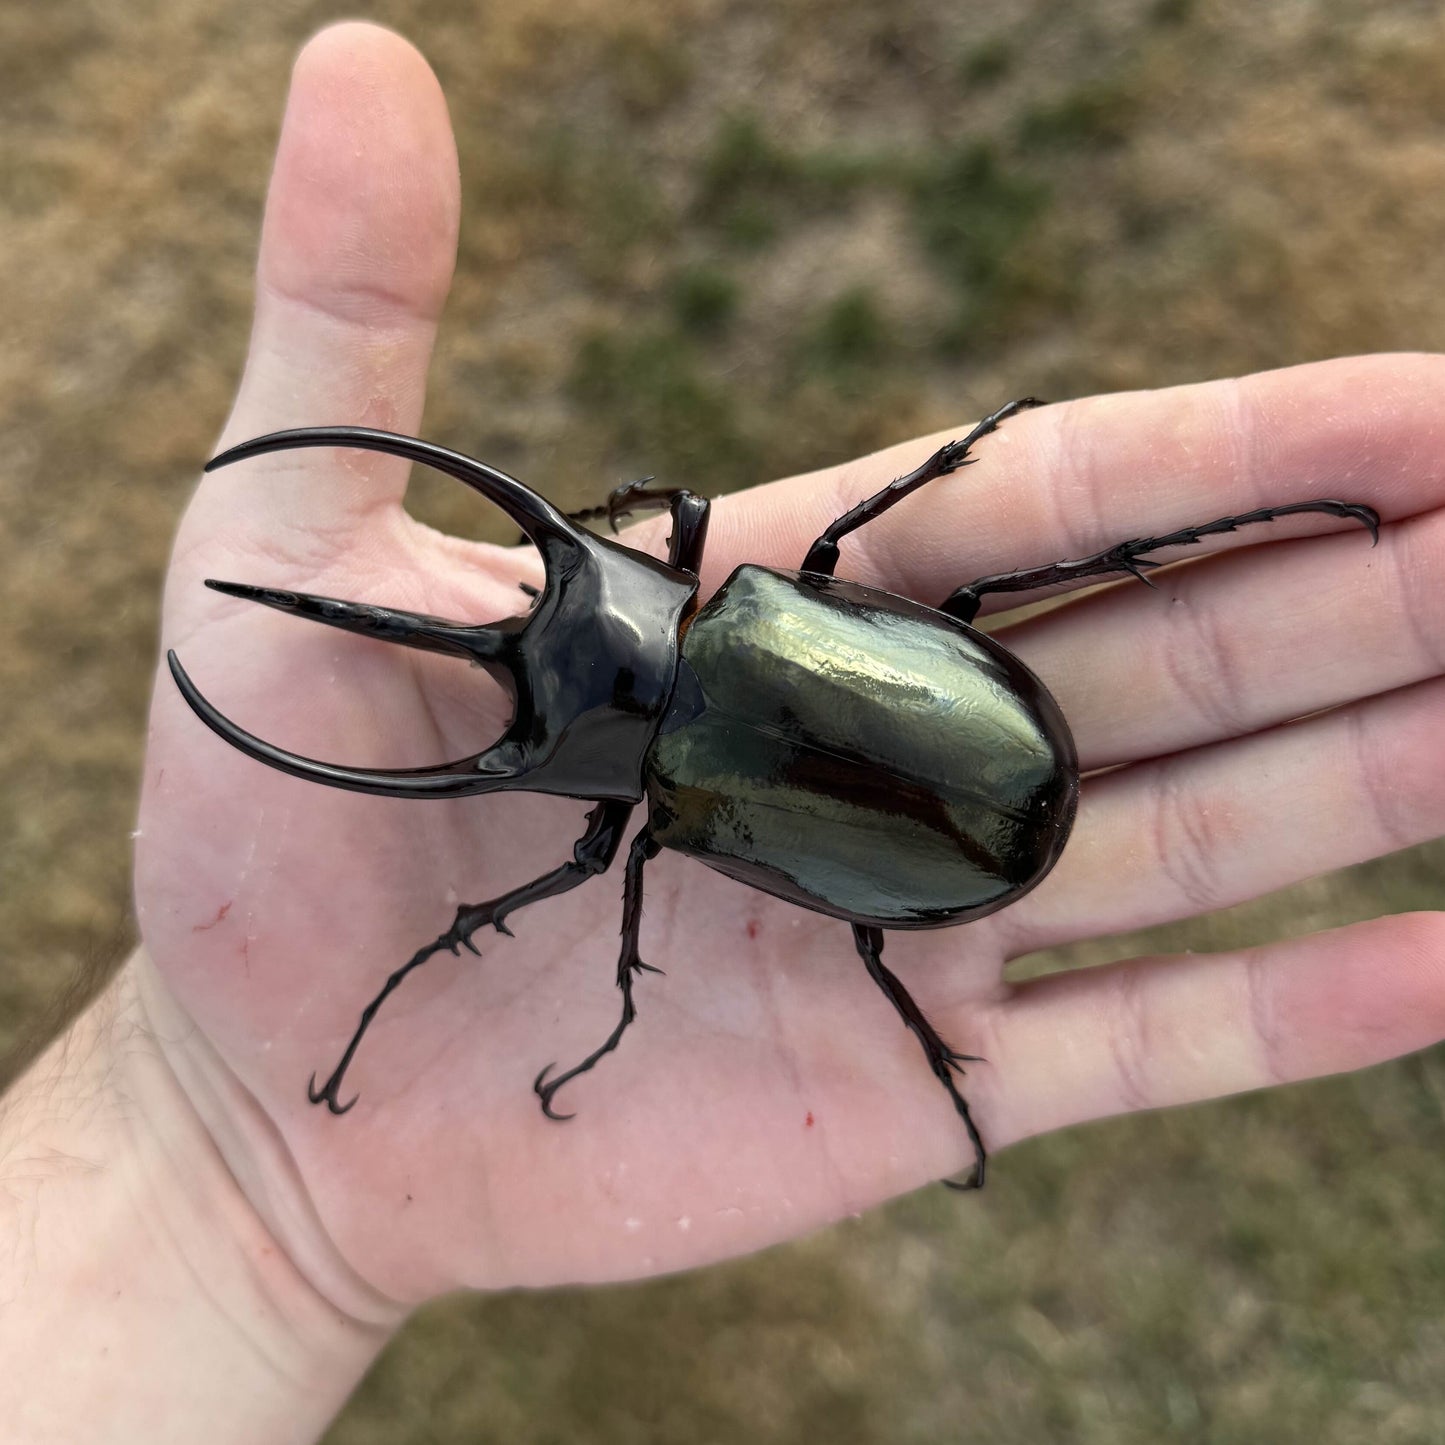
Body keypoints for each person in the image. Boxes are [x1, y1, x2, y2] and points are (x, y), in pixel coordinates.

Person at [4, 20, 1444, 1443]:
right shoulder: (743, 607)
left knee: (876, 868)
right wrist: (215, 1132)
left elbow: (622, 854)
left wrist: (247, 1113)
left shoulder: (657, 804)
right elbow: (753, 532)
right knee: (959, 624)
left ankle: (922, 1040)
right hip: (983, 772)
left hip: (973, 795)